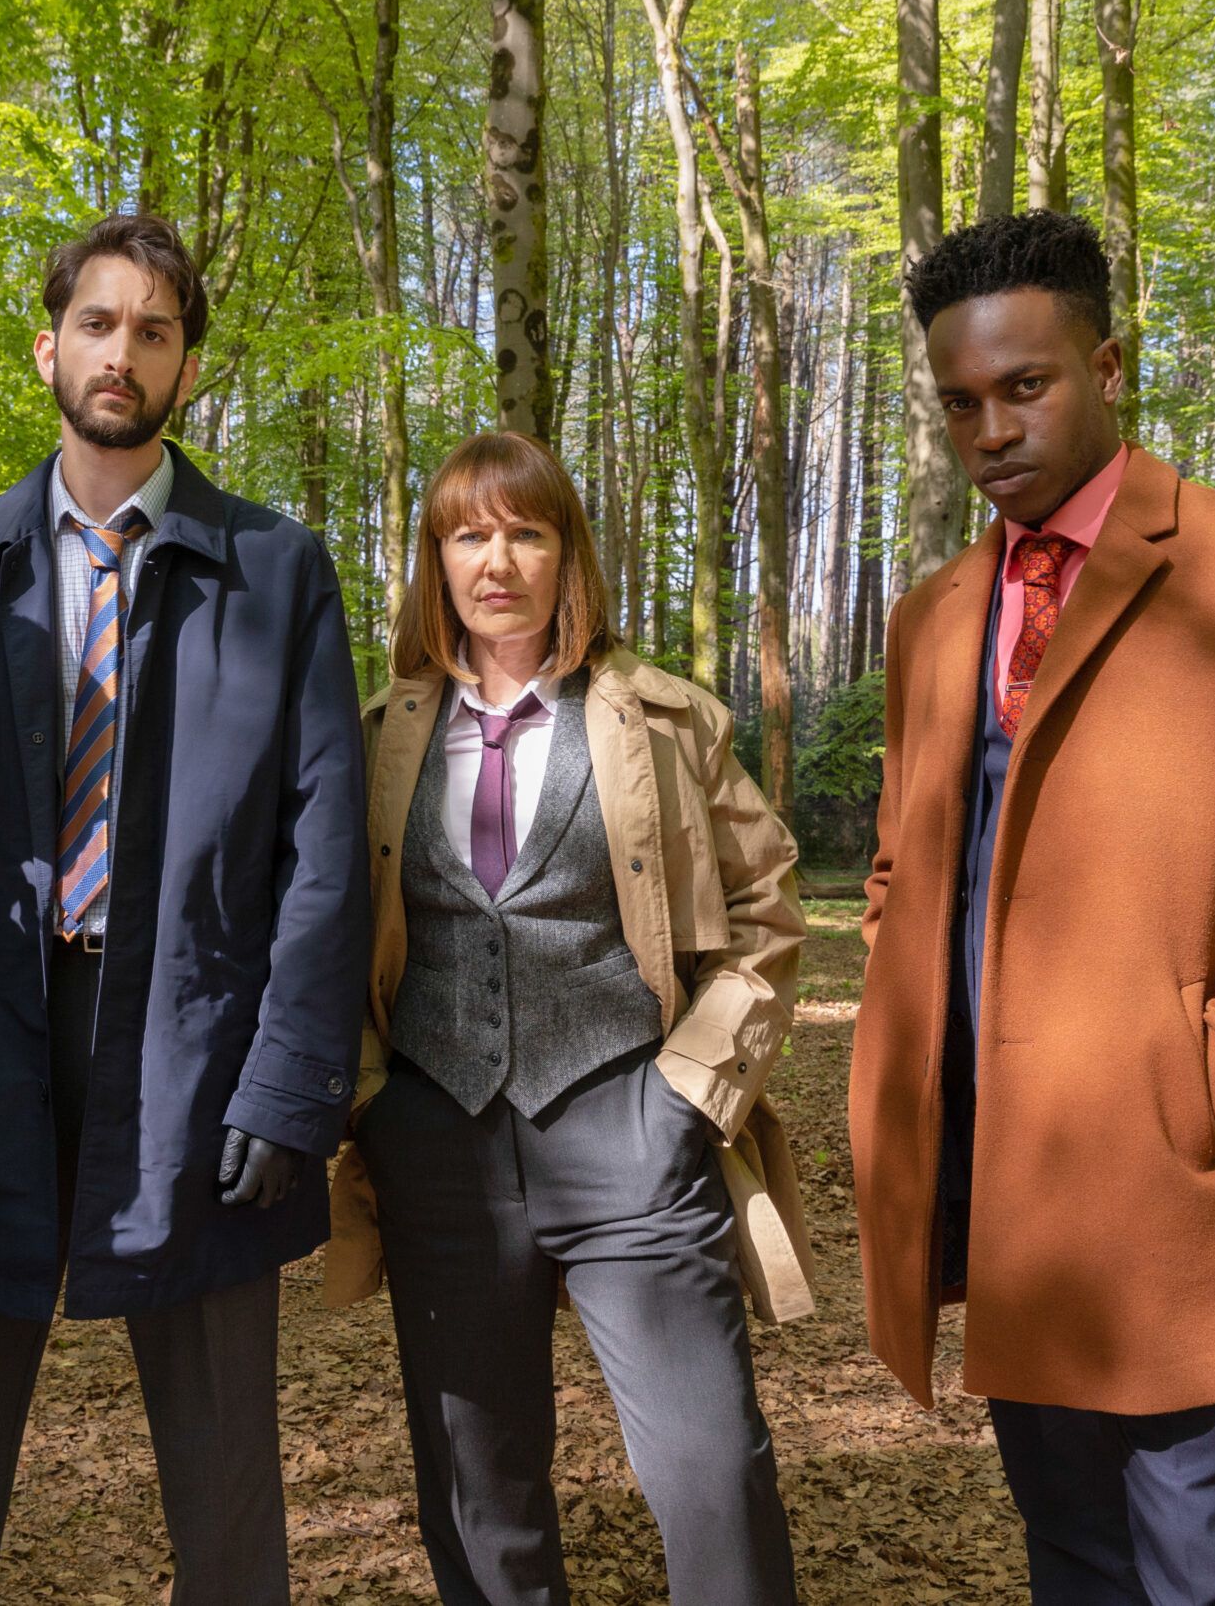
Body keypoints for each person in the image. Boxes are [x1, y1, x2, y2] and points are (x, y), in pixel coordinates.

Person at [849, 211, 1215, 1605]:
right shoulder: (936, 614)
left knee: (1201, 1578)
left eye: (1024, 386)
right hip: (1000, 1182)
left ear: (1108, 365)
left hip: (1178, 1187)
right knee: (1075, 1562)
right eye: (958, 402)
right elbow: (901, 860)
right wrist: (914, 1005)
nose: (989, 427)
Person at [0, 213, 369, 1606]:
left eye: (154, 330)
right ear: (50, 345)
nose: (121, 353)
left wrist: (290, 1075)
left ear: (189, 365)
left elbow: (327, 849)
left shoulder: (274, 568)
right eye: (97, 322)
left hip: (193, 1031)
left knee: (219, 1434)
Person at [321, 432, 815, 1606]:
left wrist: (690, 1091)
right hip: (436, 1144)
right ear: (434, 561)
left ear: (566, 554)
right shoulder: (373, 734)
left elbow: (765, 907)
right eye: (467, 534)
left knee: (710, 1469)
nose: (498, 560)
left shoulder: (664, 720)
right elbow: (315, 932)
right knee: (477, 1484)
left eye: (526, 532)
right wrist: (373, 1095)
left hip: (630, 1136)